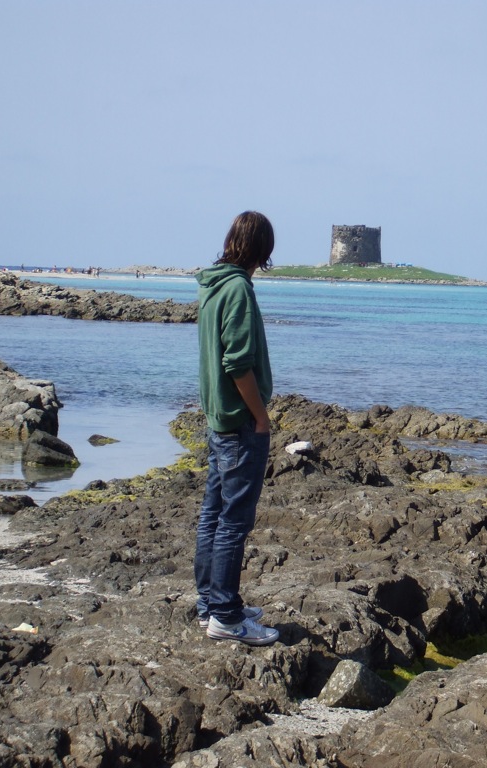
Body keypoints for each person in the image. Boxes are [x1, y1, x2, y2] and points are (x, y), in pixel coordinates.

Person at [194, 211, 279, 646]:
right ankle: (225, 615)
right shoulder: (238, 290)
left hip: (217, 421)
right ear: (263, 250)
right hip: (239, 424)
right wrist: (261, 418)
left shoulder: (213, 286)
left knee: (213, 514)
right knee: (233, 521)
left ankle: (211, 603)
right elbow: (238, 364)